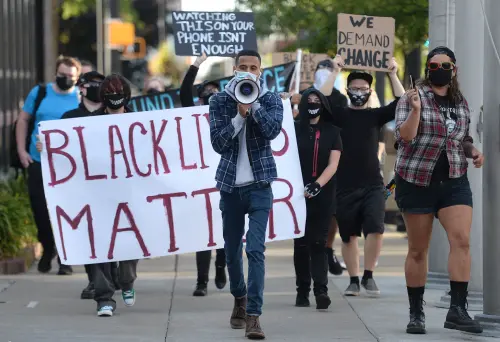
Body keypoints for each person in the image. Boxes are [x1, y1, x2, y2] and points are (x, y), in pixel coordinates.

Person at [394, 46, 484, 335]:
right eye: (433, 65)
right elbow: (404, 137)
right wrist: (417, 111)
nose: (439, 69)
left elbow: (462, 137)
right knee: (419, 250)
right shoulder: (413, 97)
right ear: (427, 69)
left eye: (445, 65)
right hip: (417, 180)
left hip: (454, 180)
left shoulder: (460, 101)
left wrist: (472, 151)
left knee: (462, 241)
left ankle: (457, 310)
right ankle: (416, 313)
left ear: (454, 69)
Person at [209, 49, 283, 340]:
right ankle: (239, 297)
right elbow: (218, 142)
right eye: (243, 67)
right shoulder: (219, 100)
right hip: (230, 187)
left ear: (260, 71)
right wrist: (238, 117)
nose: (248, 71)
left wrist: (253, 108)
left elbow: (272, 131)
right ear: (234, 69)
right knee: (231, 252)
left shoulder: (271, 99)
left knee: (255, 249)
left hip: (260, 185)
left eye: (254, 67)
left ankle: (254, 315)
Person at [319, 55, 404, 297]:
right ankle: (354, 280)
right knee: (348, 235)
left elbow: (401, 101)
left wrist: (392, 74)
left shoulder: (375, 115)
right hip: (344, 184)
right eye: (355, 88)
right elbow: (321, 98)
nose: (359, 92)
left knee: (376, 228)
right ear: (348, 90)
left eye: (363, 88)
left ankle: (368, 276)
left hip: (373, 185)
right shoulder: (340, 114)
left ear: (369, 91)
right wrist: (335, 71)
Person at [16, 56, 81, 275]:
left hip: (68, 167)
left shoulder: (81, 98)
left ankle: (66, 258)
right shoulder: (40, 93)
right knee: (40, 211)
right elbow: (24, 120)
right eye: (62, 75)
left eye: (70, 77)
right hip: (38, 162)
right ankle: (47, 246)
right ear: (56, 73)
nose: (65, 79)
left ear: (77, 77)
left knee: (66, 211)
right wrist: (22, 151)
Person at [179, 52, 227, 296]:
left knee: (224, 229)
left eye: (215, 91)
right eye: (206, 91)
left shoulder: (229, 114)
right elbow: (184, 90)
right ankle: (201, 281)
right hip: (199, 183)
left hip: (225, 179)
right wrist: (197, 64)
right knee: (203, 233)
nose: (211, 94)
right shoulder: (192, 115)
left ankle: (221, 265)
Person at [293, 88, 342, 310]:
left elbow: (333, 164)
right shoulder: (293, 129)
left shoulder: (332, 132)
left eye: (317, 100)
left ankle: (321, 290)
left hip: (322, 193)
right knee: (301, 243)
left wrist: (317, 185)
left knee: (318, 242)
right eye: (308, 100)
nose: (313, 103)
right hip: (296, 195)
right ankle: (302, 290)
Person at [61, 70, 106, 299]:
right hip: (81, 187)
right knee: (90, 235)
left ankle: (109, 276)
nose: (97, 88)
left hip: (109, 187)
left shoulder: (112, 114)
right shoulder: (68, 118)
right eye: (93, 84)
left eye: (102, 84)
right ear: (82, 87)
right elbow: (59, 150)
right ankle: (95, 280)